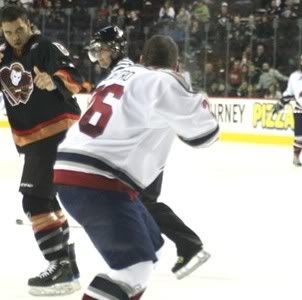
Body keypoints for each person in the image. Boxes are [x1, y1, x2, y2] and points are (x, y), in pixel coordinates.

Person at [53, 35, 219, 299]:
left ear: (142, 59)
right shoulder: (165, 80)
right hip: (100, 178)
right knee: (134, 269)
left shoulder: (119, 74)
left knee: (151, 245)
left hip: (74, 169)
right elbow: (205, 135)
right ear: (176, 65)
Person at [0, 4, 83, 296]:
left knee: (33, 200)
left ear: (28, 24)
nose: (15, 37)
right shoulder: (0, 54)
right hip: (33, 139)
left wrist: (54, 80)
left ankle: (59, 266)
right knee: (47, 200)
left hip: (58, 132)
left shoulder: (46, 46)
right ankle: (67, 262)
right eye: (8, 32)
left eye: (19, 29)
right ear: (2, 31)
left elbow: (75, 79)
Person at [86, 25, 211, 280]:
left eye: (102, 50)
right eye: (96, 51)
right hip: (143, 153)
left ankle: (187, 244)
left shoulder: (132, 74)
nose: (98, 56)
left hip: (143, 154)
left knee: (139, 201)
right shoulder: (128, 74)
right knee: (138, 202)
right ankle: (173, 245)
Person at [272, 51, 302, 166]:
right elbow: (289, 93)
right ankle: (296, 157)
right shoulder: (295, 77)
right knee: (300, 138)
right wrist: (280, 104)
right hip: (300, 111)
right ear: (301, 62)